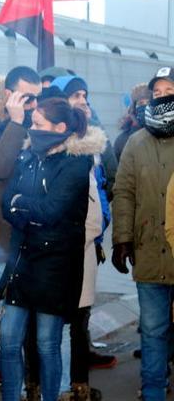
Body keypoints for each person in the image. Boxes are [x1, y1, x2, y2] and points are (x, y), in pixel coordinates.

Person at [0, 97, 93, 401]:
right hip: (22, 259)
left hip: (55, 266)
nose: (32, 129)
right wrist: (23, 208)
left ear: (60, 128)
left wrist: (22, 205)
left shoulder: (77, 162)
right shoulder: (27, 156)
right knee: (9, 341)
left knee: (46, 344)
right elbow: (5, 204)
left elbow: (52, 209)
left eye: (38, 124)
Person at [42, 83, 111, 400]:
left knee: (74, 324)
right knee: (50, 331)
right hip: (48, 260)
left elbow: (94, 219)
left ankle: (73, 385)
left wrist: (59, 241)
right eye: (75, 96)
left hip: (75, 256)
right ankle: (54, 386)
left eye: (84, 95)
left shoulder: (82, 161)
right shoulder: (39, 159)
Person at [112, 67, 174, 401]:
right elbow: (124, 192)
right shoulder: (137, 142)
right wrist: (122, 237)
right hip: (149, 251)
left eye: (169, 91)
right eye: (157, 92)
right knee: (152, 330)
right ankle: (153, 391)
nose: (162, 97)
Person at [0, 66, 42, 264]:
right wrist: (16, 123)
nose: (35, 105)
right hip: (5, 233)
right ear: (8, 95)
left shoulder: (44, 123)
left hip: (40, 234)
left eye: (38, 98)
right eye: (28, 99)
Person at [114, 83, 152, 161]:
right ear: (134, 108)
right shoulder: (122, 140)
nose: (145, 106)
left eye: (148, 103)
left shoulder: (163, 135)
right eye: (141, 103)